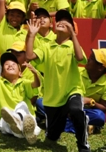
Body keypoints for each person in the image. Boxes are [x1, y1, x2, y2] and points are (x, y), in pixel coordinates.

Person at [26, 9, 90, 152]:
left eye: (67, 22)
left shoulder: (74, 46)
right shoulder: (46, 46)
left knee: (76, 111)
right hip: (53, 97)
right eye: (59, 20)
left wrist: (74, 35)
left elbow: (80, 58)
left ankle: (83, 145)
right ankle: (52, 133)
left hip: (72, 91)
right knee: (53, 136)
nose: (61, 22)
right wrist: (31, 35)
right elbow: (29, 56)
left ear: (73, 29)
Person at [69, 48, 106, 135]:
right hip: (69, 107)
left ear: (100, 68)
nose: (88, 59)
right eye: (90, 57)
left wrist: (90, 101)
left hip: (87, 112)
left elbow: (104, 108)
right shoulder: (77, 71)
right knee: (41, 103)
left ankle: (60, 124)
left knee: (99, 116)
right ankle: (85, 127)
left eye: (92, 59)